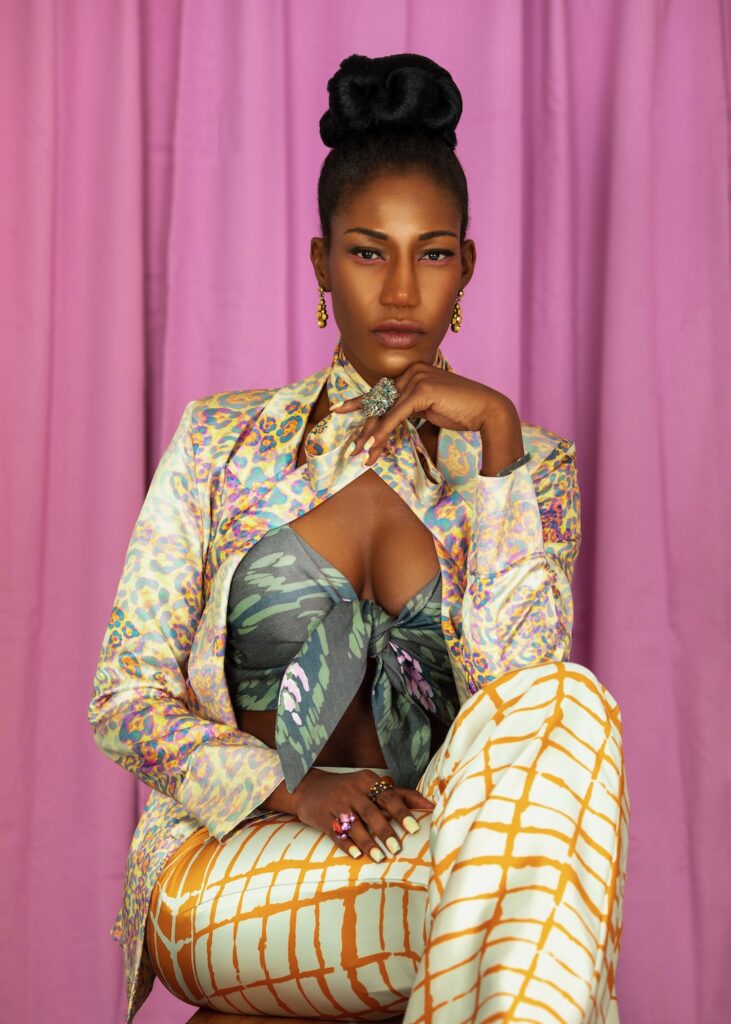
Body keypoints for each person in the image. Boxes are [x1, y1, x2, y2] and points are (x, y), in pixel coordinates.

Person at [89, 52, 629, 1024]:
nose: (401, 291)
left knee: (566, 713)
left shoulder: (530, 466)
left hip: (438, 855)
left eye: (432, 254)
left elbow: (520, 706)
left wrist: (496, 440)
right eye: (369, 253)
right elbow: (124, 699)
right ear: (321, 263)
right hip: (225, 869)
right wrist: (288, 787)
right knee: (531, 896)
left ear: (465, 267)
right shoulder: (221, 441)